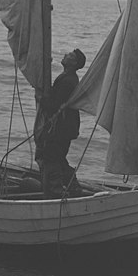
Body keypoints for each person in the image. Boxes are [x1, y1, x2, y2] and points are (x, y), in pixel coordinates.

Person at [37, 48, 86, 196]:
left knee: (52, 157)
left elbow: (54, 105)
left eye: (70, 55)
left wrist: (41, 99)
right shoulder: (67, 78)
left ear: (74, 63)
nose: (65, 55)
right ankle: (73, 187)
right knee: (58, 157)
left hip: (61, 127)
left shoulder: (68, 81)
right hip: (64, 127)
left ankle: (55, 191)